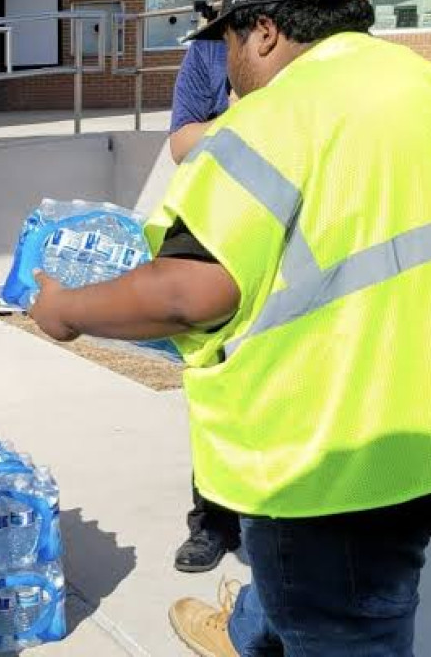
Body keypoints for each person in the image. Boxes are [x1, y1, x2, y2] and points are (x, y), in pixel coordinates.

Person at [29, 0, 431, 655]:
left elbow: (187, 292)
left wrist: (64, 311)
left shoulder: (274, 119)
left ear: (263, 31)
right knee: (328, 577)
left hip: (337, 466)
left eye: (226, 44)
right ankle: (249, 630)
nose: (226, 67)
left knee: (346, 616)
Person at [167, 37, 243, 574]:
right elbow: (182, 140)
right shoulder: (212, 54)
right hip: (226, 235)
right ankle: (214, 521)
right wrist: (252, 122)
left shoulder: (333, 46)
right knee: (218, 389)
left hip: (309, 246)